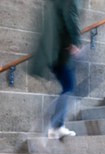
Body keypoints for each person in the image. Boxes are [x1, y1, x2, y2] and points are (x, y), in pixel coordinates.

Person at [29, 0, 83, 139]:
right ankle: (55, 125)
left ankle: (53, 125)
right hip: (61, 51)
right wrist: (76, 41)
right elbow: (71, 15)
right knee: (69, 86)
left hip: (51, 51)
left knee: (67, 87)